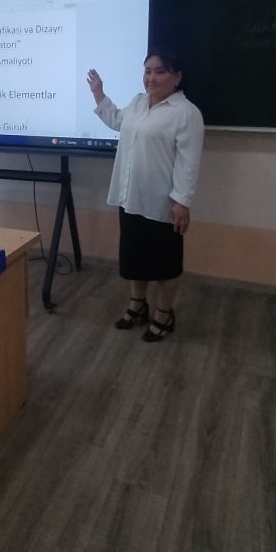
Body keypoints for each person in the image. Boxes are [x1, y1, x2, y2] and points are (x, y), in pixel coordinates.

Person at [87, 50, 204, 342]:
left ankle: (164, 314)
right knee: (134, 258)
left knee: (165, 264)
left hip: (163, 203)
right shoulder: (138, 103)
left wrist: (182, 201)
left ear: (177, 77)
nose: (151, 77)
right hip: (130, 197)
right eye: (147, 71)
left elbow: (189, 162)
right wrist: (98, 93)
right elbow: (117, 121)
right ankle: (137, 306)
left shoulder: (186, 113)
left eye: (160, 71)